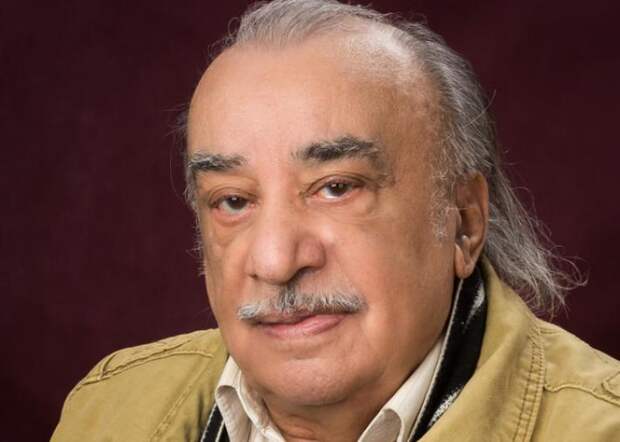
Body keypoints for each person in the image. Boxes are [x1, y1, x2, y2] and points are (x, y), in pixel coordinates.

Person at [52, 1, 620, 441]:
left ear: (464, 223)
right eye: (233, 201)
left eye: (336, 188)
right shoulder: (108, 411)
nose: (276, 260)